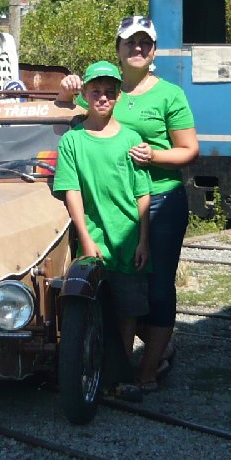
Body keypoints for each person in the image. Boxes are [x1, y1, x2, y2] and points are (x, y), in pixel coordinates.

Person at [57, 14, 197, 388]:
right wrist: (65, 92)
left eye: (145, 43)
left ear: (154, 51)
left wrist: (154, 156)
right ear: (118, 49)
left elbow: (189, 150)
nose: (138, 48)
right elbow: (71, 115)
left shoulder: (169, 94)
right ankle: (135, 359)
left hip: (160, 201)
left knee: (157, 288)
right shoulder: (106, 89)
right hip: (110, 204)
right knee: (115, 287)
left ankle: (147, 371)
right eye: (130, 42)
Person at [52, 60, 151, 401]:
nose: (103, 97)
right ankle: (92, 373)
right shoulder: (73, 141)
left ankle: (121, 377)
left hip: (128, 240)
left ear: (118, 95)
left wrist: (143, 240)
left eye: (110, 91)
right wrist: (86, 238)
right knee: (91, 310)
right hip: (93, 241)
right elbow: (72, 191)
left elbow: (142, 194)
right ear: (85, 94)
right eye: (96, 91)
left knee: (127, 312)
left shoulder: (132, 139)